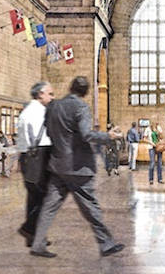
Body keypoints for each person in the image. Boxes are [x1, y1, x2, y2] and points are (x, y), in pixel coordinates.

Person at [30, 76, 124, 258]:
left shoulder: (53, 106)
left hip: (58, 166)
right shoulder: (80, 107)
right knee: (90, 206)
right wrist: (108, 136)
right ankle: (106, 244)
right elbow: (86, 134)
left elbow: (49, 131)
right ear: (86, 92)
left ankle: (38, 244)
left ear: (70, 87)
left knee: (49, 207)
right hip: (78, 168)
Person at [16, 80, 54, 247]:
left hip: (27, 156)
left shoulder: (26, 111)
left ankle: (33, 238)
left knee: (33, 198)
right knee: (44, 198)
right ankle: (29, 229)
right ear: (40, 94)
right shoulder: (39, 112)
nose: (52, 97)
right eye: (50, 94)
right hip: (38, 156)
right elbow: (45, 139)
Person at [145, 120, 164, 185]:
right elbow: (145, 138)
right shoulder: (147, 129)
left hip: (159, 147)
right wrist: (151, 143)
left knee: (160, 163)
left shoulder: (159, 128)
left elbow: (162, 137)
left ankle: (160, 179)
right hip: (151, 147)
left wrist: (159, 132)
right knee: (152, 163)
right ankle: (151, 179)